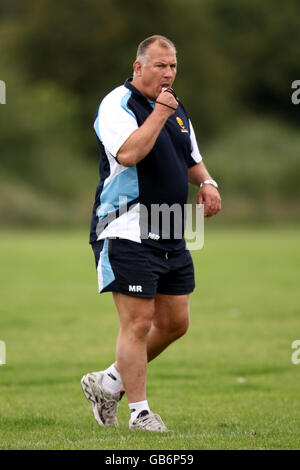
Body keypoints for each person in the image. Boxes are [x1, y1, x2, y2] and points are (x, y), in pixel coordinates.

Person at [81, 35, 221, 432]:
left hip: (172, 227)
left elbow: (191, 158)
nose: (168, 73)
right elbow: (129, 153)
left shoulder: (176, 108)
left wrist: (209, 183)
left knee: (176, 323)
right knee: (138, 322)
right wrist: (159, 112)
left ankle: (107, 382)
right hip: (125, 227)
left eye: (173, 66)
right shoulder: (117, 105)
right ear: (138, 67)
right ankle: (140, 413)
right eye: (160, 66)